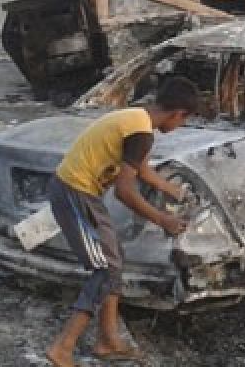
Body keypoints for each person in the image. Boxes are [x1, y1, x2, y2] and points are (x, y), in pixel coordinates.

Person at [45, 77, 198, 367]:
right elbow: (124, 191)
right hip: (74, 192)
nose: (180, 126)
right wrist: (163, 219)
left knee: (114, 261)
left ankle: (108, 341)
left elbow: (142, 170)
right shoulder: (142, 134)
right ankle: (62, 348)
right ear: (179, 113)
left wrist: (174, 190)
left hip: (82, 192)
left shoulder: (136, 119)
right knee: (104, 269)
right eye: (184, 121)